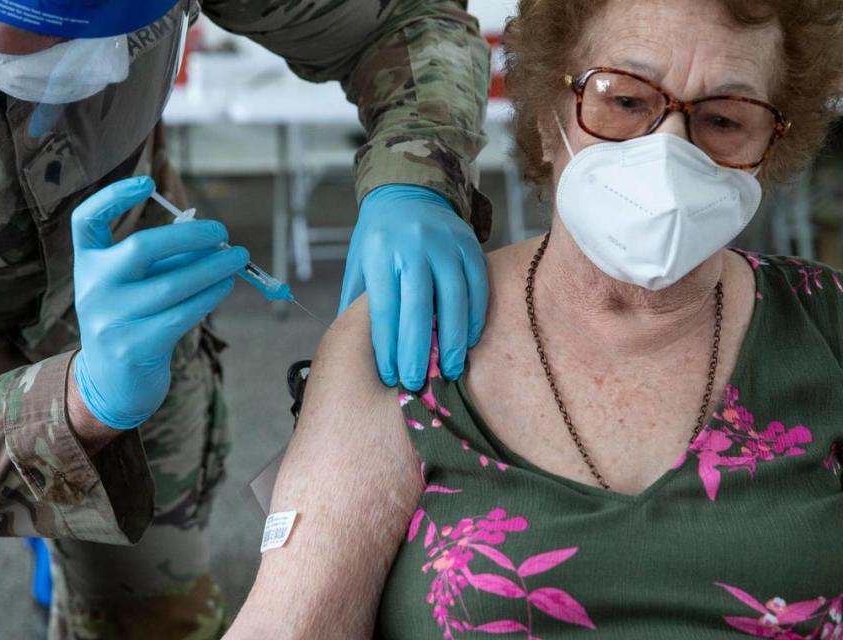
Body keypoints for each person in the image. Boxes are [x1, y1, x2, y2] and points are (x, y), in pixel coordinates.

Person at [226, 0, 843, 637]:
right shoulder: (419, 330)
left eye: (723, 118)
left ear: (772, 146)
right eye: (624, 101)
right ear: (551, 121)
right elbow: (290, 625)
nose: (668, 154)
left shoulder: (829, 328)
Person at [0, 0, 492, 638]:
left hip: (143, 329)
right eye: (59, 22)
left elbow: (410, 18)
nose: (107, 54)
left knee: (156, 618)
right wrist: (76, 404)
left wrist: (415, 178)